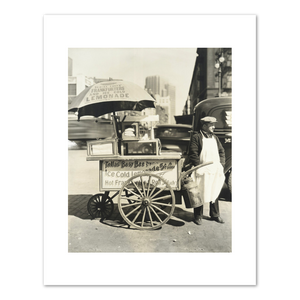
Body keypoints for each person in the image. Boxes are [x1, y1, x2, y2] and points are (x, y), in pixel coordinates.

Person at [189, 116, 225, 225]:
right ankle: (198, 216)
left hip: (214, 169)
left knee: (214, 190)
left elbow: (221, 151)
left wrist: (221, 164)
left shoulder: (215, 138)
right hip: (202, 170)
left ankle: (215, 215)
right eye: (211, 125)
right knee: (199, 192)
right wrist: (198, 166)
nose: (213, 127)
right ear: (204, 126)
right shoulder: (197, 137)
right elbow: (193, 153)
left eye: (214, 125)